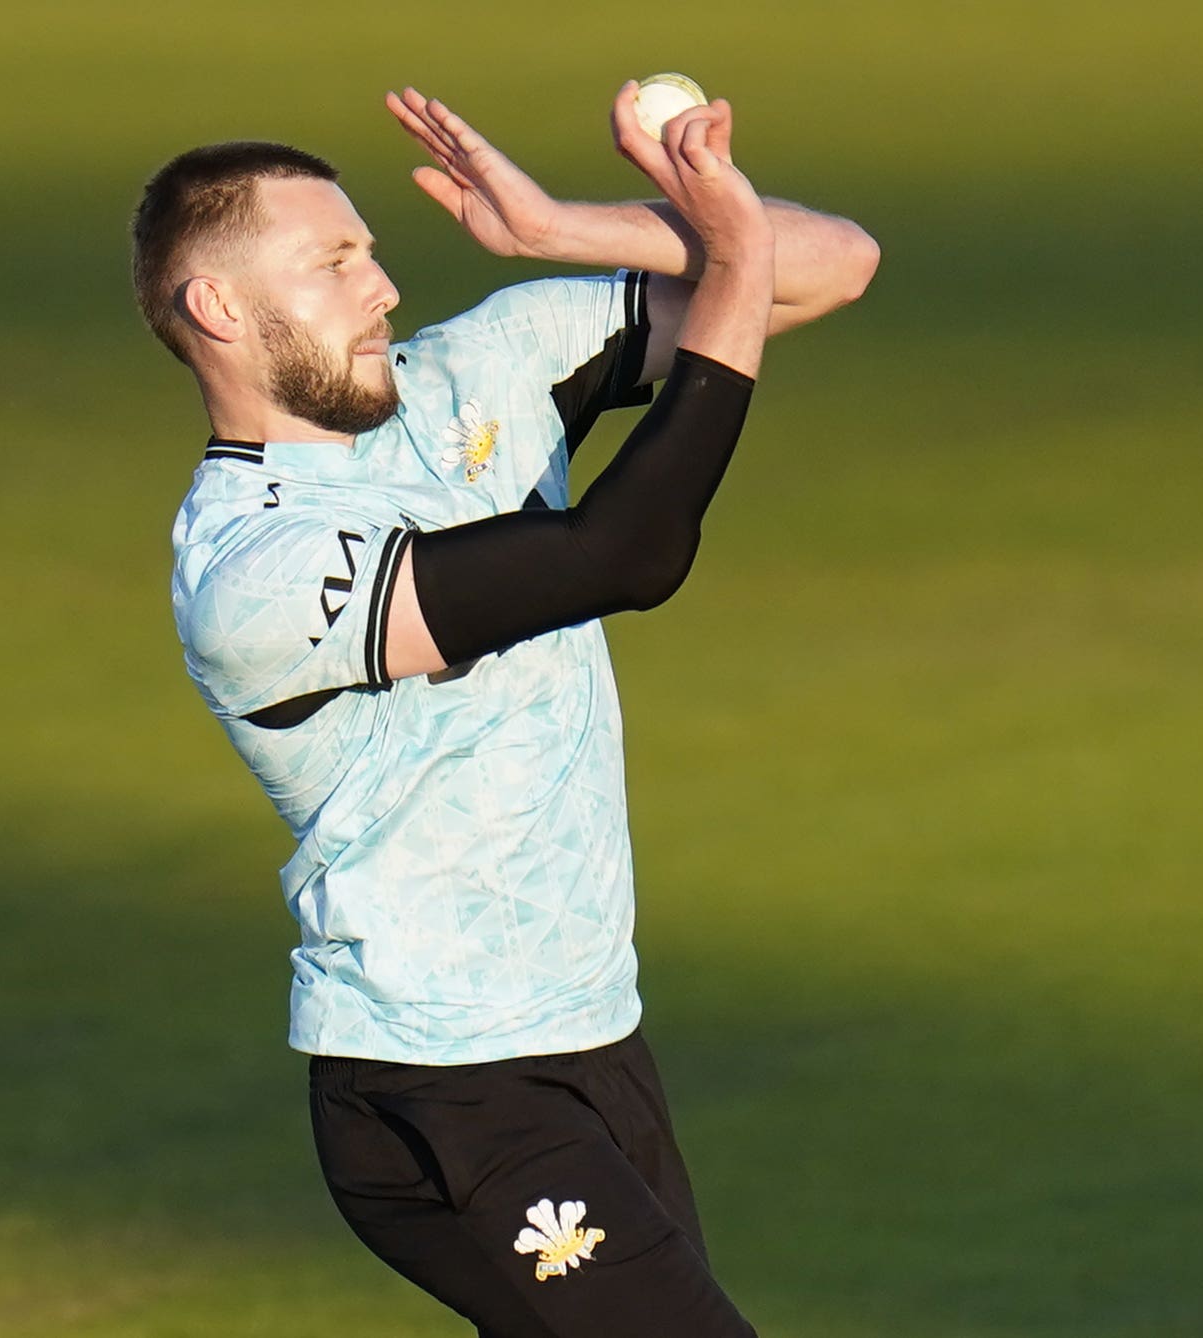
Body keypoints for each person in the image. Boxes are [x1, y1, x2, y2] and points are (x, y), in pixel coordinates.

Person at [135, 82, 877, 1337]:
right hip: (441, 1087)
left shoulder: (478, 375)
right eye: (334, 264)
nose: (383, 288)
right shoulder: (253, 572)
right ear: (219, 308)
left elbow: (835, 267)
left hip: (594, 1037)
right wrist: (731, 251)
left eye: (371, 252)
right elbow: (621, 555)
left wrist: (573, 232)